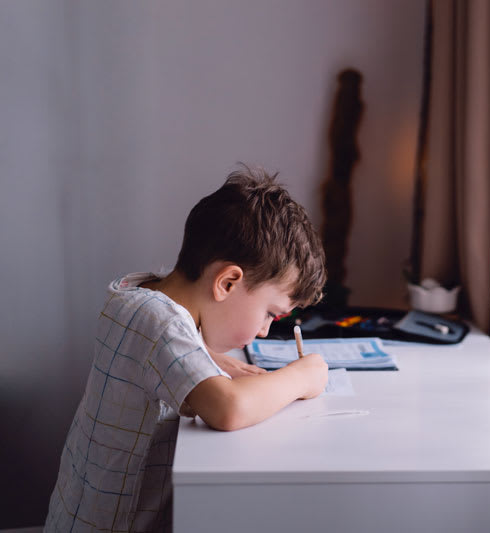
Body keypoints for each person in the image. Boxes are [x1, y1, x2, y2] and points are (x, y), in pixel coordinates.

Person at [44, 165, 329, 532]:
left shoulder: (138, 295)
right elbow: (229, 409)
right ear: (227, 282)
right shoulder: (159, 322)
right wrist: (302, 376)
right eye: (270, 314)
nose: (263, 332)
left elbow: (156, 352)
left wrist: (213, 359)